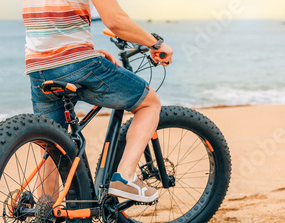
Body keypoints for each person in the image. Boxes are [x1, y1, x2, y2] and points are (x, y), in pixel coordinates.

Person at [23, 0, 173, 206]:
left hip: (37, 68)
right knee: (150, 103)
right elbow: (115, 21)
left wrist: (89, 51)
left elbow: (52, 27)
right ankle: (125, 176)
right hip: (77, 63)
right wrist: (156, 44)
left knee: (51, 149)